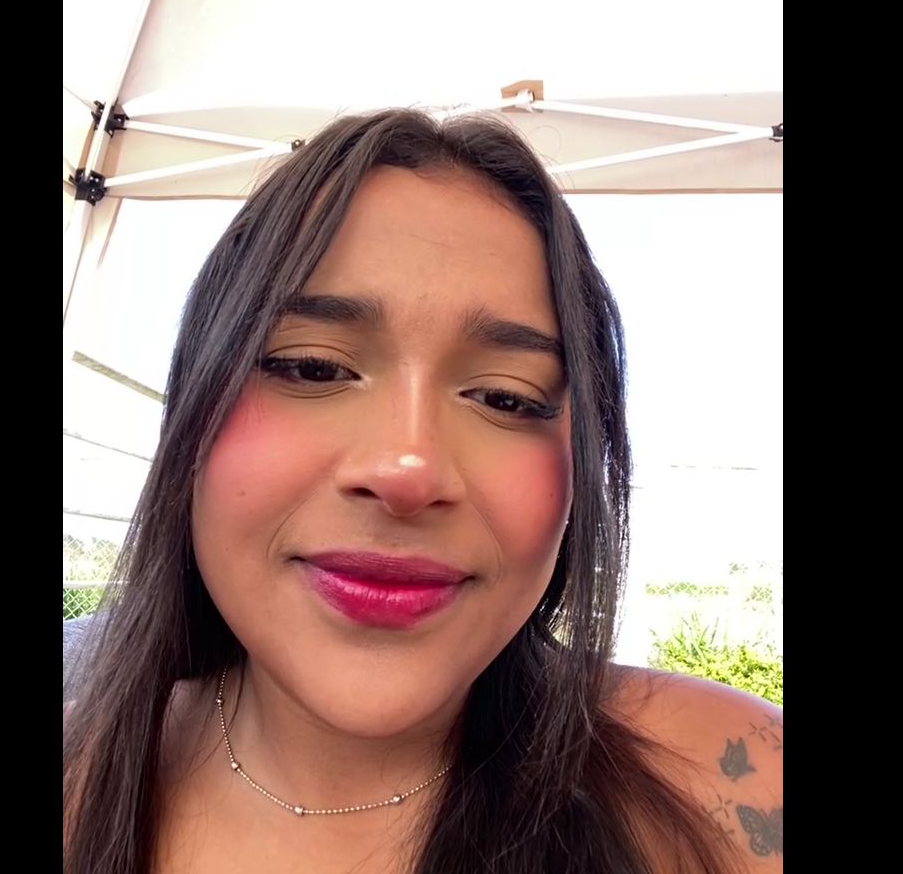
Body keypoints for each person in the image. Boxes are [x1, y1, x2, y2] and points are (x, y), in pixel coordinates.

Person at [63, 109, 782, 874]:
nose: (408, 470)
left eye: (505, 397)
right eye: (312, 367)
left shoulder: (734, 786)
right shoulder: (80, 778)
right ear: (190, 415)